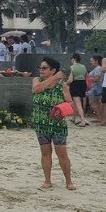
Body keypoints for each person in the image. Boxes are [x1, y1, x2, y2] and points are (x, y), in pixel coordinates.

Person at [31, 57, 75, 191]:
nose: (41, 70)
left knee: (62, 153)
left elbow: (71, 103)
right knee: (45, 153)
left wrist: (61, 109)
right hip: (41, 123)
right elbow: (37, 89)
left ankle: (68, 181)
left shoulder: (62, 85)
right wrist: (54, 77)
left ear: (53, 70)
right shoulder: (37, 80)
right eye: (40, 68)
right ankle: (47, 181)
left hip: (57, 123)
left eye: (44, 68)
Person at [67, 54, 90, 127]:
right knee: (77, 102)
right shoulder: (83, 66)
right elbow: (86, 75)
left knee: (77, 103)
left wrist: (64, 83)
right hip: (82, 84)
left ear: (74, 59)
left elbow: (70, 80)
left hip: (75, 84)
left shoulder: (72, 67)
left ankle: (83, 120)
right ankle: (74, 118)